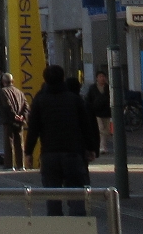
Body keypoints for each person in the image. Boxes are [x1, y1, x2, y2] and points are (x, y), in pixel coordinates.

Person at [26, 65, 94, 215]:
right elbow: (85, 126)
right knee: (76, 191)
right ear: (63, 78)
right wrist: (90, 148)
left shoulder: (40, 101)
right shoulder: (74, 99)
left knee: (52, 193)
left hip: (49, 153)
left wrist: (28, 152)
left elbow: (33, 129)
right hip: (73, 152)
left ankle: (56, 227)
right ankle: (78, 224)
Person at [0, 71, 31, 171]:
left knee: (9, 142)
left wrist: (14, 115)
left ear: (3, 82)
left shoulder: (2, 91)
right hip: (19, 121)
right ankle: (21, 165)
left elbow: (7, 104)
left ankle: (9, 165)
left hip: (8, 120)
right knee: (19, 143)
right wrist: (22, 116)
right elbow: (26, 106)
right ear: (13, 81)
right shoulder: (19, 92)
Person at [87, 70, 115, 154]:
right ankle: (102, 147)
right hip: (96, 112)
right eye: (100, 76)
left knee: (106, 130)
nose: (102, 78)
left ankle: (103, 146)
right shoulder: (92, 88)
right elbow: (89, 99)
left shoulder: (108, 88)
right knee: (101, 129)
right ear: (97, 78)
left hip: (106, 112)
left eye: (103, 76)